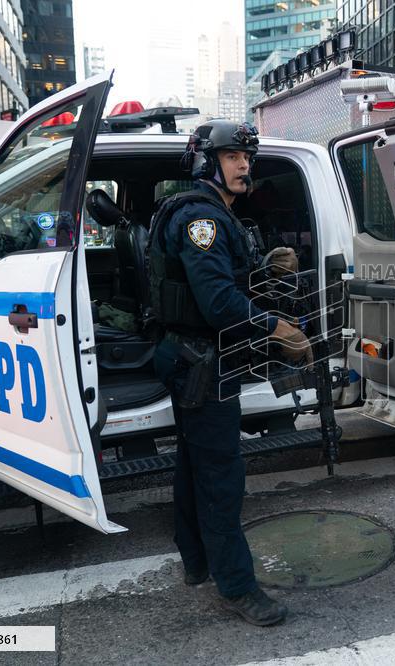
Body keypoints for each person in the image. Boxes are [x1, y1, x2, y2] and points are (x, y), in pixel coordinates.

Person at [147, 120, 311, 627]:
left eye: (247, 156)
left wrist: (265, 269)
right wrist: (277, 328)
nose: (245, 165)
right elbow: (219, 304)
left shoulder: (213, 214)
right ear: (206, 161)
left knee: (194, 464)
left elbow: (218, 282)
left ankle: (196, 563)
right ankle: (237, 588)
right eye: (234, 156)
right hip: (200, 360)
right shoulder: (203, 219)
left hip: (192, 353)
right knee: (220, 476)